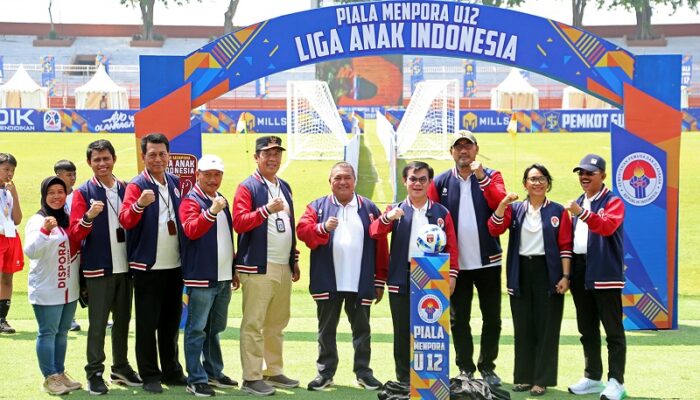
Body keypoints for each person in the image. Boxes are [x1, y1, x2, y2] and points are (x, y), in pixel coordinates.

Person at [297, 162, 387, 391]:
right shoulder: (317, 207)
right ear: (330, 182)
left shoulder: (368, 208)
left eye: (347, 177)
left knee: (362, 331)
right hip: (328, 281)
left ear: (354, 181)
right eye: (337, 178)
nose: (343, 182)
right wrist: (323, 228)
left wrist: (379, 279)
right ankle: (325, 373)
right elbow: (302, 232)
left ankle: (363, 373)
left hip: (361, 282)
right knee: (326, 331)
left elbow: (380, 246)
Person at [427, 130, 507, 385]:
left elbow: (499, 204)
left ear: (476, 149)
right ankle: (465, 367)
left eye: (468, 146)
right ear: (451, 152)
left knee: (491, 317)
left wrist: (482, 177)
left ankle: (487, 366)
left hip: (488, 261)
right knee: (458, 318)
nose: (463, 151)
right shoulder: (440, 182)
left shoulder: (493, 176)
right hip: (455, 266)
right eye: (458, 147)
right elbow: (430, 219)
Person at [369, 161, 458, 385]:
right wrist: (388, 218)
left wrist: (452, 274)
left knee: (430, 330)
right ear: (404, 181)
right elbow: (374, 232)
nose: (417, 184)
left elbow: (452, 247)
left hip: (432, 276)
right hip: (402, 276)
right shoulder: (396, 209)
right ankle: (404, 380)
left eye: (422, 180)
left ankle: (430, 378)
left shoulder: (441, 212)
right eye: (412, 179)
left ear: (429, 182)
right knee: (401, 330)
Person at [487, 164, 573, 397]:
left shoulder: (557, 211)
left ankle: (542, 380)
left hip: (549, 273)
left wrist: (565, 276)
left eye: (542, 178)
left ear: (548, 183)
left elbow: (565, 246)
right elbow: (494, 228)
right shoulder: (515, 209)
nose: (537, 183)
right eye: (532, 179)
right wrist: (504, 203)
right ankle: (523, 377)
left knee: (547, 327)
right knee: (522, 326)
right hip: (521, 271)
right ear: (525, 184)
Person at [69, 140, 142, 394]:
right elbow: (75, 233)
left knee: (123, 321)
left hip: (126, 267)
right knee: (98, 323)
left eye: (106, 158)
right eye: (97, 160)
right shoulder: (83, 192)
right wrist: (88, 217)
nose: (102, 164)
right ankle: (94, 372)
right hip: (99, 267)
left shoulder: (126, 188)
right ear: (89, 163)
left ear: (114, 159)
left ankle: (120, 367)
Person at [232, 135, 301, 396]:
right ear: (256, 157)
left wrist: (293, 260)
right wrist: (265, 211)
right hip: (257, 266)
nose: (273, 158)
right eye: (267, 153)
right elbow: (239, 222)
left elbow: (287, 227)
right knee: (254, 323)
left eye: (277, 153)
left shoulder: (285, 186)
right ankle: (251, 377)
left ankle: (273, 370)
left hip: (282, 265)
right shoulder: (247, 187)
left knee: (277, 323)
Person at [119, 133, 186, 394]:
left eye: (162, 154)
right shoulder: (137, 185)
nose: (157, 159)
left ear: (168, 155)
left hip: (175, 264)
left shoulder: (175, 181)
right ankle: (149, 374)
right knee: (147, 324)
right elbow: (125, 219)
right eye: (152, 154)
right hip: (148, 266)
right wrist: (138, 205)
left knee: (171, 322)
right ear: (143, 156)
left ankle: (172, 370)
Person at [565, 154, 627, 400]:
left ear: (602, 175)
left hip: (604, 271)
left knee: (613, 330)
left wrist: (581, 213)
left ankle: (616, 381)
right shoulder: (580, 201)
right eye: (581, 172)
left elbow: (606, 226)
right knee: (587, 328)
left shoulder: (613, 201)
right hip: (581, 270)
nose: (584, 177)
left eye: (590, 172)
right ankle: (592, 377)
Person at [179, 155, 239, 397]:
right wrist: (211, 212)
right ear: (198, 175)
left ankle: (213, 371)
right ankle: (195, 378)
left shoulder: (220, 199)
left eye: (217, 175)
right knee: (196, 329)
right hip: (201, 277)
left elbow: (227, 238)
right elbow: (192, 231)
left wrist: (233, 268)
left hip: (222, 277)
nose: (213, 179)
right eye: (208, 174)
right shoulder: (191, 201)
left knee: (215, 327)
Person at [24, 176, 82, 395]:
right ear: (44, 196)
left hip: (69, 287)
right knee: (48, 333)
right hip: (47, 288)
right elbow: (31, 251)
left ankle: (59, 373)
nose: (57, 197)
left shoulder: (67, 218)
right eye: (51, 193)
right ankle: (49, 377)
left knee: (62, 332)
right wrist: (45, 231)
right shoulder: (38, 220)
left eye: (61, 192)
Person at [54, 159, 81, 332]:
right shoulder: (54, 196)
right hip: (63, 245)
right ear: (58, 175)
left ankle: (100, 315)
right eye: (68, 175)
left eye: (74, 174)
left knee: (84, 281)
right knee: (66, 280)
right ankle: (69, 317)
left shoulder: (80, 194)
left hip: (80, 242)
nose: (73, 178)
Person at [0, 153, 23, 334]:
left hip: (10, 236)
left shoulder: (9, 191)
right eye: (6, 169)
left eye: (12, 170)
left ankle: (2, 319)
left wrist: (14, 194)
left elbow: (17, 219)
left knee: (7, 277)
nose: (10, 174)